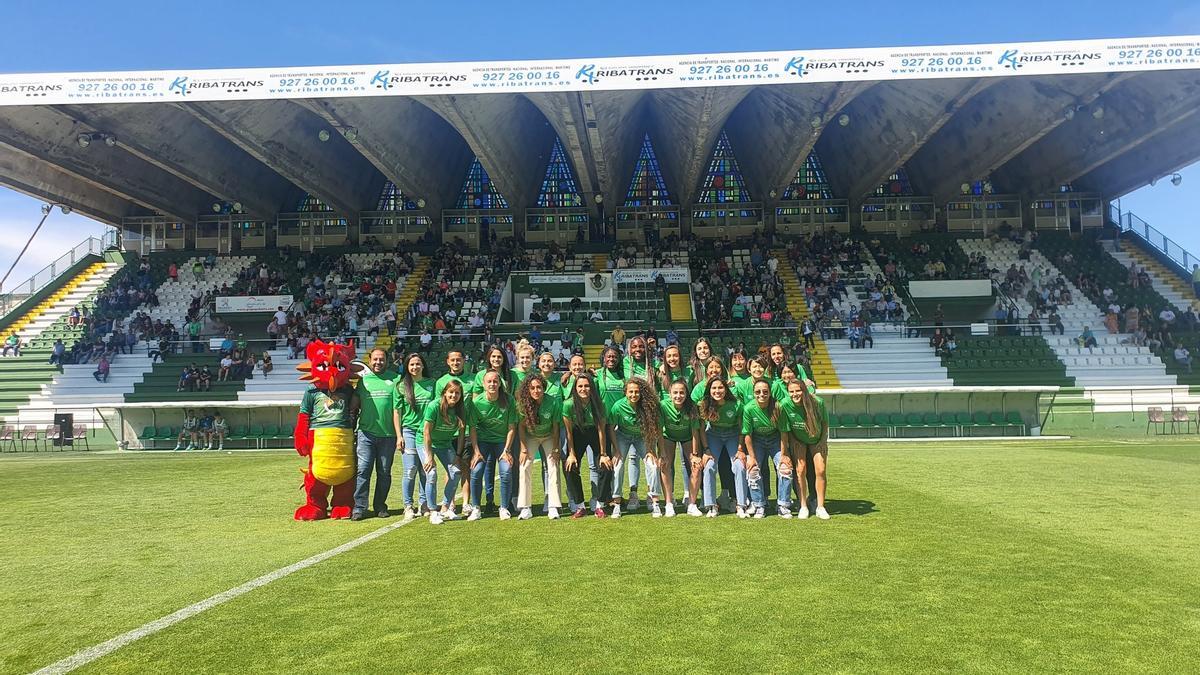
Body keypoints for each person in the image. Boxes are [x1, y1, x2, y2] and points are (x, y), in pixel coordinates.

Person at [352, 348, 398, 521]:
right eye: (375, 359)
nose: (378, 362)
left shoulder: (396, 379)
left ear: (387, 360)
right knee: (363, 471)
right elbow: (354, 405)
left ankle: (380, 506)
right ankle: (359, 507)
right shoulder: (363, 382)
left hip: (389, 435)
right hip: (366, 434)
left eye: (382, 359)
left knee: (384, 472)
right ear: (370, 360)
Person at [606, 377, 661, 517]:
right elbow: (611, 428)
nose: (634, 395)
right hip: (622, 436)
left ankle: (654, 502)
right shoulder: (618, 406)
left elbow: (653, 428)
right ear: (625, 392)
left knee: (653, 466)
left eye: (637, 392)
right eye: (630, 392)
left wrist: (651, 449)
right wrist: (616, 450)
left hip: (642, 437)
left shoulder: (647, 405)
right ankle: (617, 503)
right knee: (617, 466)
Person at [467, 370, 518, 520]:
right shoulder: (476, 402)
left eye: (495, 381)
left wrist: (507, 450)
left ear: (500, 384)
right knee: (476, 471)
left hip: (502, 442)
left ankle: (504, 507)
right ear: (483, 384)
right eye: (489, 381)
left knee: (506, 470)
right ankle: (476, 507)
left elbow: (511, 427)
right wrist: (476, 451)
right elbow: (473, 428)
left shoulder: (508, 400)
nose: (492, 384)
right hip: (483, 442)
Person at [562, 372, 612, 518]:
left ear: (592, 388)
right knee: (569, 466)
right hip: (577, 433)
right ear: (575, 388)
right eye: (580, 386)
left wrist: (603, 454)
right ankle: (580, 506)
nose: (584, 389)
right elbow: (569, 432)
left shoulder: (599, 404)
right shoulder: (568, 404)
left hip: (596, 433)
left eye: (587, 386)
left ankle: (600, 504)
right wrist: (571, 454)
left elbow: (601, 430)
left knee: (606, 466)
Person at [515, 373, 563, 520]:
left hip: (548, 436)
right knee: (525, 466)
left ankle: (553, 506)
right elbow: (521, 428)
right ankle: (525, 507)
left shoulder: (553, 402)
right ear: (528, 390)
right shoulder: (523, 404)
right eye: (533, 388)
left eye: (539, 387)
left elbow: (556, 427)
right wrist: (523, 449)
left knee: (553, 466)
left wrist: (555, 448)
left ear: (544, 388)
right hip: (531, 437)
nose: (536, 391)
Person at [393, 353, 435, 521]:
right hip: (409, 431)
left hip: (425, 433)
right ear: (407, 367)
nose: (415, 367)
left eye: (418, 364)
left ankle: (424, 504)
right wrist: (399, 435)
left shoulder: (432, 384)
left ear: (423, 365)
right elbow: (397, 412)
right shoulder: (401, 386)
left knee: (426, 470)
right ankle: (408, 505)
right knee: (410, 470)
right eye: (412, 364)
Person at [780, 378, 830, 519]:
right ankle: (803, 505)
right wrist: (785, 453)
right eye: (791, 391)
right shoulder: (784, 405)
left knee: (821, 470)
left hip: (816, 440)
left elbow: (825, 423)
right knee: (800, 470)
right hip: (798, 440)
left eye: (798, 390)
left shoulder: (817, 402)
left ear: (804, 391)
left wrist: (823, 441)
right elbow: (784, 431)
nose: (795, 394)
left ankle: (821, 507)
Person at [742, 378, 792, 519]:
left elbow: (783, 432)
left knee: (785, 468)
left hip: (775, 440)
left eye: (765, 391)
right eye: (758, 392)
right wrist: (752, 457)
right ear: (753, 393)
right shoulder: (749, 408)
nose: (761, 394)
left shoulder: (778, 407)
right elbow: (747, 435)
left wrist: (784, 454)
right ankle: (759, 505)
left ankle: (783, 505)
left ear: (770, 393)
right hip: (757, 441)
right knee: (753, 470)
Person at [422, 379, 467, 525]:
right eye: (451, 392)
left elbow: (461, 435)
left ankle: (445, 508)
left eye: (457, 393)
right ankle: (432, 511)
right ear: (444, 393)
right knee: (432, 473)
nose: (454, 395)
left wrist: (458, 455)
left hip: (445, 444)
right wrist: (429, 456)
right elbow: (426, 432)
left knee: (456, 472)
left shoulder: (461, 409)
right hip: (426, 442)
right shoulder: (434, 406)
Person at [700, 375, 745, 517]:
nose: (717, 391)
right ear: (709, 390)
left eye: (720, 387)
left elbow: (742, 429)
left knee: (739, 465)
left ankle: (741, 504)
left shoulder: (737, 405)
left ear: (726, 389)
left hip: (732, 435)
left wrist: (740, 448)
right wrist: (706, 449)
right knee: (709, 466)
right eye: (714, 388)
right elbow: (701, 429)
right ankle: (711, 505)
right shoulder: (705, 405)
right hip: (713, 435)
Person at [659, 380, 701, 517]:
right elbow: (659, 430)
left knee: (695, 466)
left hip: (687, 437)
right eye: (675, 393)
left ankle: (692, 504)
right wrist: (662, 452)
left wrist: (695, 454)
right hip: (668, 436)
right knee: (665, 465)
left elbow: (695, 432)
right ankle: (669, 503)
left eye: (682, 392)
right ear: (670, 394)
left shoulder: (692, 407)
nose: (678, 395)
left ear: (686, 394)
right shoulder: (663, 406)